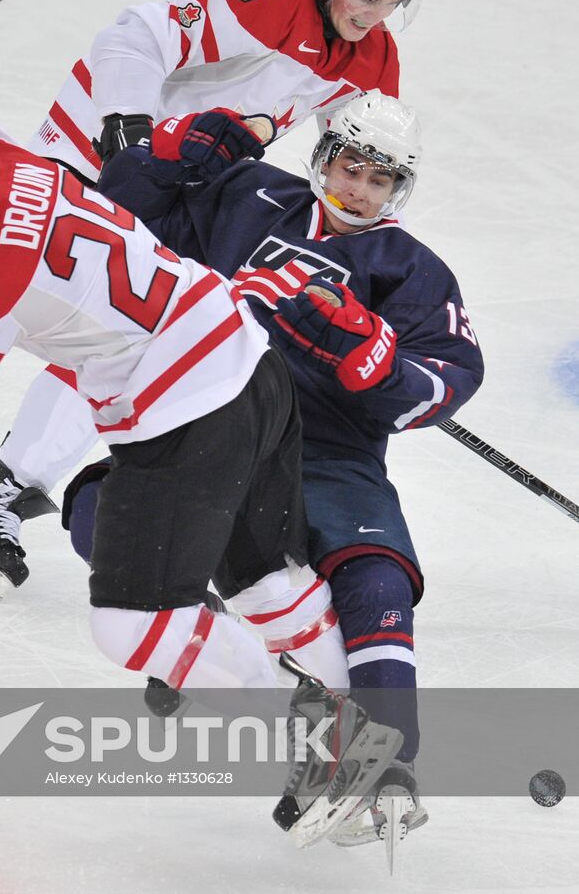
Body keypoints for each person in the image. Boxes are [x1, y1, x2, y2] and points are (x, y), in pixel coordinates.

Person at [0, 98, 405, 846]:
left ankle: (314, 746)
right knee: (272, 583)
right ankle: (372, 760)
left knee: (132, 623)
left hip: (185, 415)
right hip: (246, 357)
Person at [55, 92, 485, 848]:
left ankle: (385, 765)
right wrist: (163, 162)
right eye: (350, 166)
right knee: (101, 513)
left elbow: (446, 382)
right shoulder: (248, 197)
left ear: (398, 189)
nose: (358, 188)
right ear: (322, 158)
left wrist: (372, 360)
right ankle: (256, 667)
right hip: (210, 419)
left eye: (378, 179)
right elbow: (112, 224)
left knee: (375, 576)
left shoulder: (411, 270)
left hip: (329, 451)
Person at [28, 0, 426, 181]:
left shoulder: (375, 59)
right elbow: (135, 40)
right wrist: (128, 129)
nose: (376, 17)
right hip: (89, 143)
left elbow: (365, 169)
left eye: (392, 3)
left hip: (176, 185)